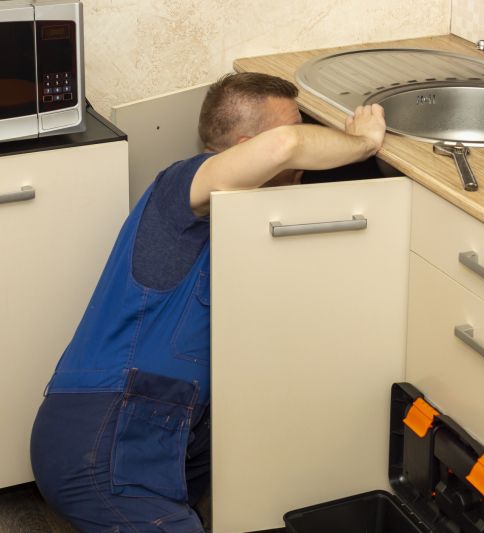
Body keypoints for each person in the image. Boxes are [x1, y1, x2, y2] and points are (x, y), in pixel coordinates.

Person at [29, 72, 386, 532]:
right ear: (243, 147)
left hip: (153, 438)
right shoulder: (181, 188)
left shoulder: (239, 224)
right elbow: (285, 148)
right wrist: (359, 142)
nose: (308, 163)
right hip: (102, 443)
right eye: (300, 134)